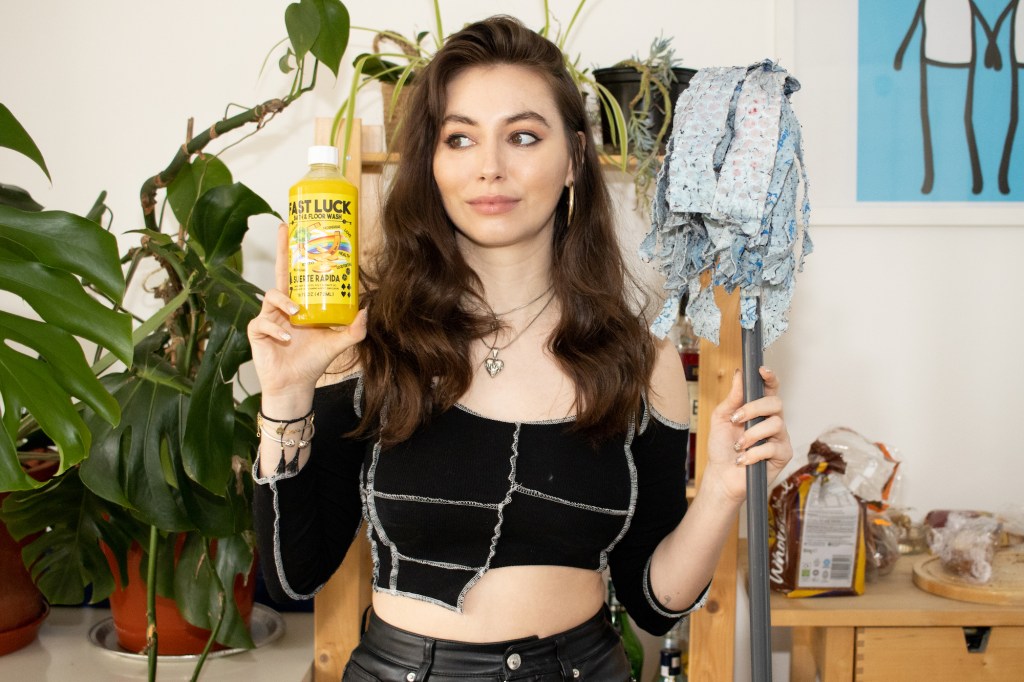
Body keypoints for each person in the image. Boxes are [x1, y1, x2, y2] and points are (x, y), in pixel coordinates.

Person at [248, 15, 793, 682]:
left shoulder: (638, 360)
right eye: (460, 139)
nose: (490, 167)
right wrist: (285, 395)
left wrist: (720, 491)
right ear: (433, 165)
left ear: (572, 160)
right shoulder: (371, 340)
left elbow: (653, 605)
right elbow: (295, 570)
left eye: (523, 136)